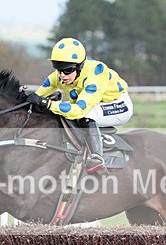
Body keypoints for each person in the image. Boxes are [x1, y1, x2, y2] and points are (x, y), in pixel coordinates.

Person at [25, 37, 133, 174]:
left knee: (86, 115)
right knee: (60, 112)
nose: (62, 75)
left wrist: (47, 103)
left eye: (67, 70)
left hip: (118, 105)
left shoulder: (95, 76)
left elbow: (79, 111)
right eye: (58, 70)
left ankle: (97, 158)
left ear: (79, 66)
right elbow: (37, 96)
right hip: (94, 103)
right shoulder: (58, 76)